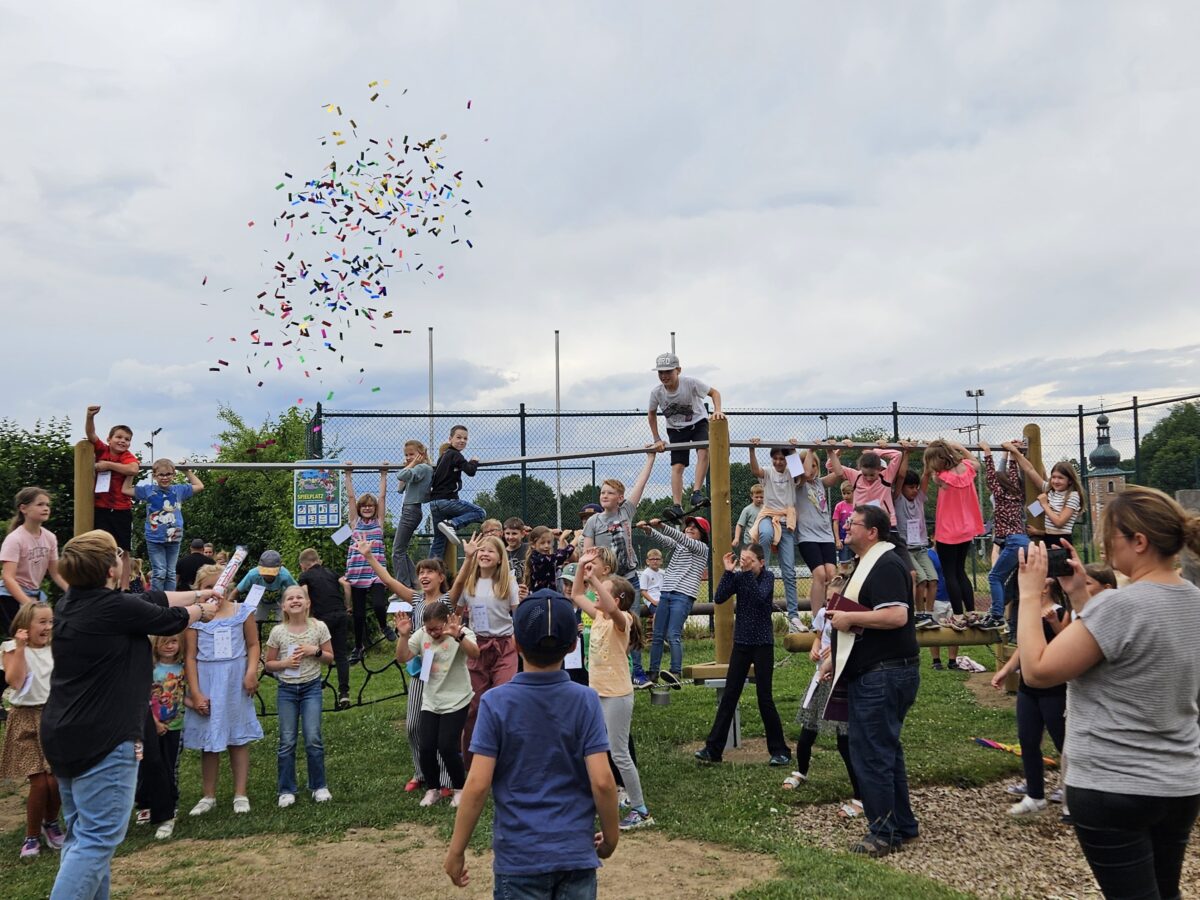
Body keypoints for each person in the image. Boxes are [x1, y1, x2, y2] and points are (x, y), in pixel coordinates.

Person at [1016, 487, 1200, 899]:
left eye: (1109, 536)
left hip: (1114, 783)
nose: (1102, 545)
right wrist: (1081, 595)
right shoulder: (1193, 600)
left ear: (1139, 541)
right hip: (1179, 783)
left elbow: (1039, 670)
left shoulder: (1120, 607)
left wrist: (1029, 596)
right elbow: (1127, 652)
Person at [40, 530, 218, 899]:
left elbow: (152, 597)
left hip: (64, 733)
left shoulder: (71, 603)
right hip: (104, 737)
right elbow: (170, 617)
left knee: (83, 837)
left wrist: (201, 593)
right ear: (110, 568)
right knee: (96, 841)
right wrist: (203, 610)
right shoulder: (115, 609)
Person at [443, 591, 618, 895]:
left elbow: (477, 785)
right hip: (575, 855)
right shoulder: (586, 700)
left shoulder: (495, 702)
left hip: (519, 858)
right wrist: (612, 838)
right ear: (573, 645)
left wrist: (456, 851)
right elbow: (603, 781)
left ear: (516, 644)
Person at [823, 504, 920, 856]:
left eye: (854, 524)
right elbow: (866, 617)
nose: (846, 527)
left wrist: (848, 620)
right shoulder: (872, 562)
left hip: (884, 673)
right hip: (879, 669)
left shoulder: (886, 564)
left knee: (871, 753)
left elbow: (896, 616)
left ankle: (883, 833)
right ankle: (902, 824)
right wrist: (835, 655)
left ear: (873, 532)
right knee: (886, 751)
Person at [351, 542, 453, 796]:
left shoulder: (449, 600)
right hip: (421, 668)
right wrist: (368, 556)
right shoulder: (416, 599)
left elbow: (464, 581)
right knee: (414, 725)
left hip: (446, 670)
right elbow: (387, 579)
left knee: (439, 726)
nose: (424, 576)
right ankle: (421, 772)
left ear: (441, 577)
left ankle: (444, 778)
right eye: (421, 572)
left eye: (429, 571)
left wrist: (471, 557)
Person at [571, 550, 653, 830]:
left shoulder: (623, 621)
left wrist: (594, 580)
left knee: (619, 753)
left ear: (616, 600)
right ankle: (599, 800)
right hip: (596, 694)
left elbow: (609, 605)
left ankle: (641, 810)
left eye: (603, 593)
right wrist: (582, 567)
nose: (595, 596)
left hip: (617, 696)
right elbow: (576, 595)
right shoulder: (599, 617)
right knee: (594, 750)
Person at [694, 545, 790, 767]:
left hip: (763, 643)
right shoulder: (739, 577)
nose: (746, 564)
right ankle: (713, 749)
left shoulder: (767, 577)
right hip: (742, 643)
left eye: (750, 561)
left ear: (761, 562)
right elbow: (719, 598)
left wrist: (745, 574)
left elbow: (758, 598)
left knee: (764, 697)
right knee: (730, 694)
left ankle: (780, 751)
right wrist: (728, 572)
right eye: (743, 560)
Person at [184, 564, 264, 816]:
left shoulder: (241, 611)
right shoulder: (195, 618)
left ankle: (240, 793)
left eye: (219, 585)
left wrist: (251, 672)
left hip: (235, 680)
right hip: (208, 680)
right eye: (208, 587)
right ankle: (209, 795)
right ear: (198, 590)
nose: (214, 591)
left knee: (237, 738)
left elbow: (253, 644)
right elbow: (190, 657)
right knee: (210, 742)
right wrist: (195, 692)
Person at [991, 581, 1067, 817]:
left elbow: (1070, 642)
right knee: (1027, 739)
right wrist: (1006, 670)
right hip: (1028, 688)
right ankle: (1035, 794)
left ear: (1045, 589)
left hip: (1055, 688)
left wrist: (1054, 623)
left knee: (1063, 742)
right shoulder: (1030, 614)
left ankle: (1072, 792)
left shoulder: (1061, 612)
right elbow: (1024, 647)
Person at [395, 599, 479, 807]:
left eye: (437, 628)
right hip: (431, 699)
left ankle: (459, 788)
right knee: (426, 746)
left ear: (447, 621)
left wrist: (457, 635)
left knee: (447, 746)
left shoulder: (460, 632)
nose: (433, 633)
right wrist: (404, 636)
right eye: (429, 629)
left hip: (457, 698)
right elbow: (402, 656)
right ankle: (433, 789)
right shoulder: (421, 634)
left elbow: (475, 653)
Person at [784, 605, 863, 819]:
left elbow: (854, 646)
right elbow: (819, 637)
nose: (831, 603)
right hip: (821, 678)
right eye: (828, 599)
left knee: (844, 739)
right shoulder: (823, 614)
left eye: (835, 599)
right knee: (808, 728)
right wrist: (815, 647)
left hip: (840, 681)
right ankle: (801, 772)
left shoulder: (851, 617)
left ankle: (860, 794)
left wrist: (836, 651)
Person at [582, 452, 655, 682]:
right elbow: (588, 553)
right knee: (605, 623)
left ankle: (637, 671)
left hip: (629, 579)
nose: (605, 495)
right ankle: (608, 667)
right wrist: (591, 578)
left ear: (620, 497)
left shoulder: (626, 512)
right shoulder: (594, 522)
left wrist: (650, 458)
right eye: (603, 492)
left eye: (610, 492)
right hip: (607, 583)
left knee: (630, 623)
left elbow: (641, 484)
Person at [448, 534, 519, 768]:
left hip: (504, 647)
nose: (485, 554)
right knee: (473, 706)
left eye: (491, 551)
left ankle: (505, 756)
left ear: (500, 558)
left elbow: (517, 615)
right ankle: (470, 760)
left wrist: (519, 644)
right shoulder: (470, 582)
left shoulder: (508, 582)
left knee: (503, 699)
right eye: (482, 550)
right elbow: (456, 613)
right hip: (476, 646)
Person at [1, 602, 64, 859]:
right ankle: (31, 836)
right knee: (39, 783)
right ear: (25, 625)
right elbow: (15, 681)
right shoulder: (11, 648)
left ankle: (50, 822)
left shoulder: (55, 650)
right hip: (25, 719)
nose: (48, 627)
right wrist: (21, 647)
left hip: (52, 718)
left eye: (50, 622)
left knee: (56, 781)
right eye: (42, 622)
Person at [264, 585, 334, 808]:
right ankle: (286, 789)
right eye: (290, 599)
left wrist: (315, 651)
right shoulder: (278, 632)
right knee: (287, 740)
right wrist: (284, 664)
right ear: (284, 606)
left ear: (307, 603)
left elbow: (330, 657)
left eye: (299, 598)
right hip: (287, 690)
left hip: (311, 688)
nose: (295, 601)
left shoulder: (319, 627)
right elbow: (269, 664)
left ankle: (319, 786)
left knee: (313, 737)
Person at [647, 352, 724, 519]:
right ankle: (677, 505)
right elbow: (651, 414)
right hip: (676, 429)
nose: (664, 376)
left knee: (703, 450)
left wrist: (717, 410)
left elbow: (715, 393)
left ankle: (696, 492)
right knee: (677, 466)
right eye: (661, 372)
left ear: (678, 370)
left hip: (697, 422)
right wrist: (657, 439)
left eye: (668, 372)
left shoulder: (690, 383)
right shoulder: (657, 393)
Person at [923, 439, 984, 642]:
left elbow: (930, 473)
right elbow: (975, 460)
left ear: (939, 459)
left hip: (949, 531)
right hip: (967, 528)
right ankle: (972, 613)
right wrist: (958, 448)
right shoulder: (967, 468)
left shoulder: (941, 477)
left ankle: (957, 616)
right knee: (961, 571)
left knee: (949, 573)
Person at [641, 515, 710, 688]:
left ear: (702, 534)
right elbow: (666, 541)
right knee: (657, 635)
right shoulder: (680, 545)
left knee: (673, 634)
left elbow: (677, 537)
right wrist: (649, 530)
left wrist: (662, 525)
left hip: (683, 595)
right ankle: (653, 672)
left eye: (695, 527)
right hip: (666, 593)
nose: (689, 529)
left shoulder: (701, 547)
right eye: (688, 526)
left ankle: (675, 672)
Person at [123, 459, 204, 591]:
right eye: (161, 474)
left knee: (171, 573)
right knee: (160, 572)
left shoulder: (179, 490)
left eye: (168, 474)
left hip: (174, 537)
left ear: (173, 475)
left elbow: (199, 486)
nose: (165, 477)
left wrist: (186, 471)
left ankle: (168, 602)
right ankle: (157, 601)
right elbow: (125, 489)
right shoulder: (148, 490)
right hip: (155, 537)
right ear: (154, 476)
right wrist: (132, 472)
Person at [85, 405, 140, 590]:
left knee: (123, 550)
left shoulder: (127, 456)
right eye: (118, 437)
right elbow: (91, 435)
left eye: (127, 439)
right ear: (109, 439)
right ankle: (102, 584)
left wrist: (108, 465)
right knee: (100, 547)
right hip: (101, 507)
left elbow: (133, 469)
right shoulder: (102, 450)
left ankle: (124, 587)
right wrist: (90, 417)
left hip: (121, 509)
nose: (122, 441)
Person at [748, 440, 801, 627]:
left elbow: (799, 471)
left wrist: (793, 451)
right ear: (771, 459)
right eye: (775, 458)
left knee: (789, 571)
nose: (779, 462)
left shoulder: (791, 473)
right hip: (768, 516)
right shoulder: (768, 473)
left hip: (786, 522)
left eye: (782, 459)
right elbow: (755, 471)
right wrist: (752, 449)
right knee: (766, 534)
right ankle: (764, 568)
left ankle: (794, 616)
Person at [0, 487, 68, 633]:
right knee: (19, 640)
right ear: (23, 508)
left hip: (34, 594)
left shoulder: (50, 538)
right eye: (40, 504)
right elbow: (8, 577)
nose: (46, 508)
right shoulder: (15, 539)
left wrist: (73, 591)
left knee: (39, 639)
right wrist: (27, 604)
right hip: (10, 597)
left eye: (47, 505)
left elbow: (56, 573)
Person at [139, 634, 187, 840]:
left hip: (174, 726)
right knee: (146, 765)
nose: (169, 646)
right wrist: (155, 723)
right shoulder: (150, 670)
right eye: (164, 642)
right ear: (156, 645)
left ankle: (171, 804)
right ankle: (145, 803)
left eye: (173, 642)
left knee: (170, 767)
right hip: (151, 726)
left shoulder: (182, 670)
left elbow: (183, 697)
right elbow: (143, 699)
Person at [344, 462, 394, 658]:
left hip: (375, 572)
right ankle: (358, 647)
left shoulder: (378, 523)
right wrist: (348, 475)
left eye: (370, 506)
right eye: (363, 506)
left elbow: (382, 497)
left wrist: (383, 475)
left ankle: (384, 626)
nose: (367, 508)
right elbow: (350, 497)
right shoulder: (354, 522)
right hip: (357, 572)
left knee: (380, 605)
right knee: (358, 614)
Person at [979, 441, 1028, 634]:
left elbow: (991, 475)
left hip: (1013, 541)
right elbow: (1011, 472)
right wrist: (1010, 454)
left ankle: (998, 615)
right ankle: (1000, 615)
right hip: (1025, 541)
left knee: (994, 576)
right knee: (1009, 582)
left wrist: (987, 452)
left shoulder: (998, 495)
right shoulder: (1017, 492)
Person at [297, 548, 352, 709]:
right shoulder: (331, 572)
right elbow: (346, 585)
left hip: (322, 618)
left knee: (314, 651)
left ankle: (315, 685)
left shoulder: (305, 576)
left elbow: (305, 593)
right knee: (341, 655)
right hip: (340, 614)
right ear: (318, 560)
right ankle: (344, 694)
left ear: (303, 565)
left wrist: (305, 614)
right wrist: (347, 606)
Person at [1002, 441, 1085, 547]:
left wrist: (1044, 504)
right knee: (1031, 509)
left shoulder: (1073, 496)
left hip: (1062, 542)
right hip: (1047, 539)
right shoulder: (1050, 491)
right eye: (1054, 477)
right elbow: (1030, 470)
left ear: (1070, 480)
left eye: (1060, 478)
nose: (1055, 481)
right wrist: (1017, 452)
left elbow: (1059, 523)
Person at [793, 446, 842, 618]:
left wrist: (830, 453)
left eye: (815, 466)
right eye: (809, 465)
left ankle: (834, 613)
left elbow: (838, 473)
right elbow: (805, 474)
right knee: (819, 574)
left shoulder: (820, 483)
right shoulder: (798, 484)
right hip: (807, 536)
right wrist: (810, 450)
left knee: (832, 574)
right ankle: (817, 618)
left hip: (826, 535)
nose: (812, 470)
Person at [428, 425, 485, 559]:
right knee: (480, 512)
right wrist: (474, 461)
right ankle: (451, 524)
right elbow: (470, 471)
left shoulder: (444, 456)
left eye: (465, 438)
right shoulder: (455, 454)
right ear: (450, 439)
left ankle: (430, 568)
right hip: (446, 501)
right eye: (458, 437)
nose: (462, 441)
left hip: (434, 503)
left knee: (439, 540)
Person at [227, 550, 298, 640]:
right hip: (260, 601)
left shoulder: (285, 575)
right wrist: (228, 609)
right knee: (253, 622)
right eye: (265, 571)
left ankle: (281, 644)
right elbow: (237, 591)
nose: (268, 575)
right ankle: (253, 644)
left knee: (283, 624)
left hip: (280, 601)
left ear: (280, 568)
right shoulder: (253, 574)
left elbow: (296, 590)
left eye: (272, 572)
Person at [391, 440, 433, 591]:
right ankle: (414, 583)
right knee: (400, 550)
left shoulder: (422, 468)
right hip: (408, 510)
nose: (408, 458)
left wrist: (410, 465)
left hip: (411, 511)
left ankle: (403, 585)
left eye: (412, 454)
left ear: (420, 455)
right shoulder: (417, 469)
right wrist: (409, 466)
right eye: (406, 455)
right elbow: (400, 488)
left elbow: (400, 475)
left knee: (397, 551)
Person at [523, 526, 576, 593]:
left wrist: (556, 536)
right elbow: (562, 555)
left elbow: (560, 553)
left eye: (549, 542)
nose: (546, 546)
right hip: (541, 598)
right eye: (542, 543)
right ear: (533, 545)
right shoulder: (539, 559)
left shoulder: (544, 557)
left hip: (548, 595)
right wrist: (576, 539)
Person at [733, 484, 764, 550]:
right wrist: (736, 538)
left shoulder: (766, 509)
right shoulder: (747, 510)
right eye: (756, 497)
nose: (759, 499)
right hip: (749, 541)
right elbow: (739, 525)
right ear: (752, 496)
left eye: (761, 497)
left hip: (762, 541)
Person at [833, 482, 855, 564]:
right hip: (844, 540)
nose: (846, 496)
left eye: (848, 493)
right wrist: (837, 539)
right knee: (844, 564)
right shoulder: (839, 506)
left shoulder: (858, 505)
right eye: (843, 493)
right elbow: (835, 522)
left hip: (856, 541)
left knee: (857, 564)